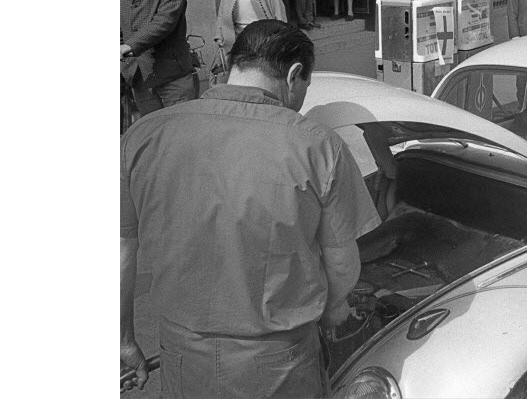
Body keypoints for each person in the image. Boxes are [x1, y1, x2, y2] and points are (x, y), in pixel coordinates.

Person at [120, 20, 382, 396]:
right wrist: (334, 307)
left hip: (180, 356)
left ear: (235, 64)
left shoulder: (143, 135)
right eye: (305, 87)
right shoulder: (318, 146)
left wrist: (123, 339)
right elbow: (342, 264)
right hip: (278, 363)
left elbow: (120, 251)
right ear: (294, 75)